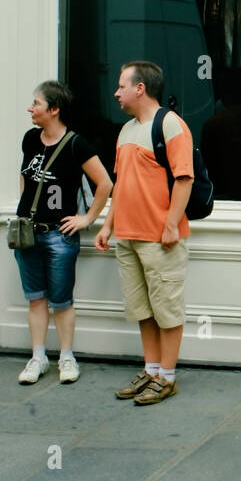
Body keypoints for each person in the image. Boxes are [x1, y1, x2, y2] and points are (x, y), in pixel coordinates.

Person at [93, 61, 194, 405]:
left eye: (121, 86)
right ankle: (151, 370)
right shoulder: (125, 132)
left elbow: (184, 178)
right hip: (128, 236)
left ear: (140, 88)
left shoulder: (170, 124)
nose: (116, 92)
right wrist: (108, 225)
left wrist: (169, 225)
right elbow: (121, 184)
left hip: (160, 239)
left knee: (167, 309)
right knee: (143, 309)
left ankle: (167, 377)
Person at [14, 80, 113, 385]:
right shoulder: (31, 139)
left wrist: (86, 219)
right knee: (35, 299)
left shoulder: (75, 144)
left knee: (62, 301)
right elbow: (25, 178)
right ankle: (38, 357)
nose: (31, 109)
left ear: (54, 109)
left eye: (37, 104)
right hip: (28, 233)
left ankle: (67, 358)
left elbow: (106, 184)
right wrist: (25, 211)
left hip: (60, 234)